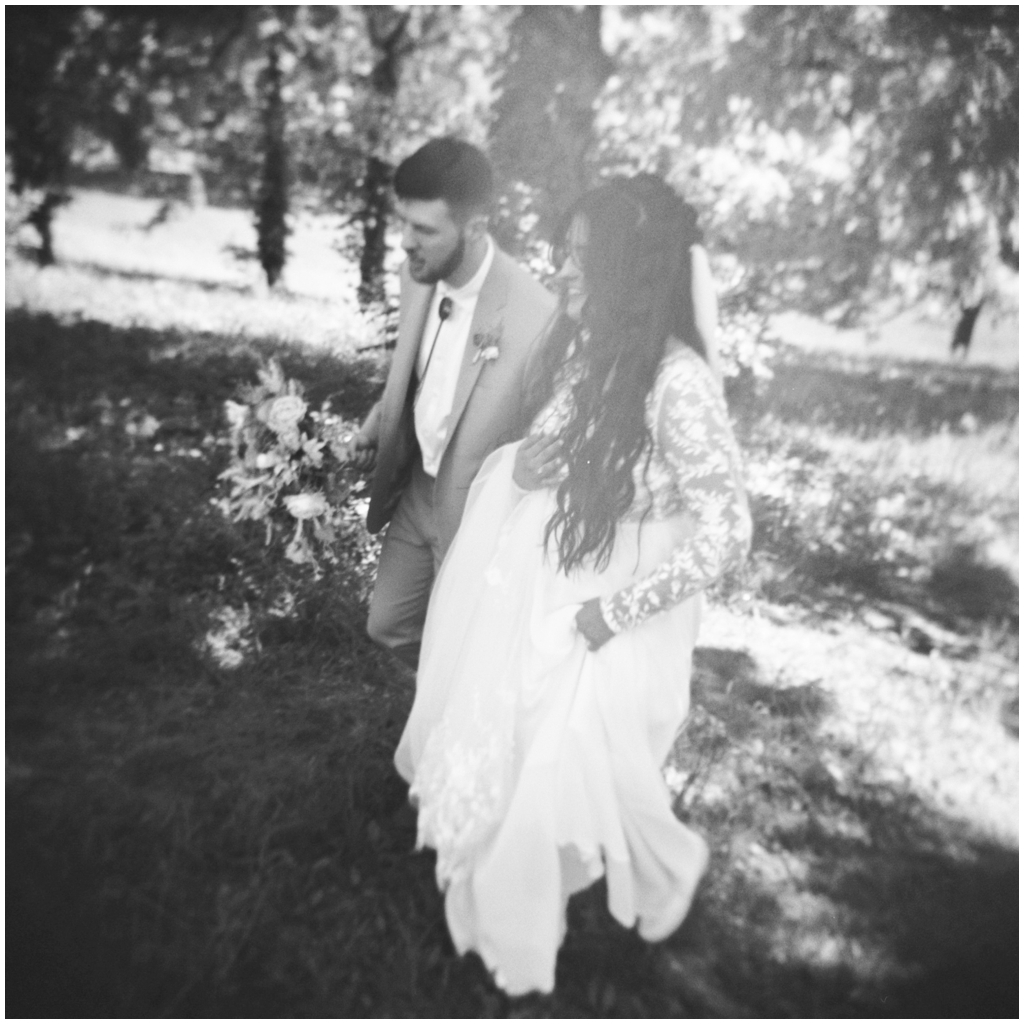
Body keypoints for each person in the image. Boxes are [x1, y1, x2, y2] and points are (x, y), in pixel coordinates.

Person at [394, 174, 752, 996]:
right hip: (542, 581)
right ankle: (524, 921)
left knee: (557, 769)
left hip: (613, 608)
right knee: (519, 755)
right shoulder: (595, 355)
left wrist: (611, 612)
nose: (566, 273)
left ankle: (523, 960)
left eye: (588, 261)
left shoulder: (678, 385)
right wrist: (525, 466)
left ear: (635, 274)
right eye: (569, 255)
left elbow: (728, 531)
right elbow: (548, 458)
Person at [348, 138, 557, 669]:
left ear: (476, 228)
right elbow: (422, 373)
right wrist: (378, 422)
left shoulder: (537, 315)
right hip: (418, 489)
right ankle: (426, 703)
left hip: (479, 511)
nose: (404, 243)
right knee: (387, 625)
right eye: (403, 223)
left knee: (459, 650)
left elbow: (552, 427)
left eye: (423, 230)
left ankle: (443, 722)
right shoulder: (417, 275)